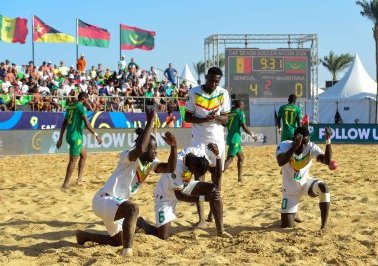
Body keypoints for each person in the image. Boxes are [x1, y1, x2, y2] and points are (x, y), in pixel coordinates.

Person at [75, 110, 177, 257]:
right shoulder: (128, 156)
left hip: (118, 206)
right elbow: (140, 148)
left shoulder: (150, 163)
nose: (156, 151)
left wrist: (173, 146)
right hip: (104, 200)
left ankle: (84, 236)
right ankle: (127, 252)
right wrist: (150, 121)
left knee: (117, 241)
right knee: (133, 208)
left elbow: (170, 168)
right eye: (153, 148)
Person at [137, 143, 231, 239]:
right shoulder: (177, 167)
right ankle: (141, 222)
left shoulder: (200, 154)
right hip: (166, 196)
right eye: (195, 173)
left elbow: (217, 175)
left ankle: (220, 231)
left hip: (185, 186)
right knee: (163, 236)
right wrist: (204, 198)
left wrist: (218, 156)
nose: (196, 176)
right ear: (192, 167)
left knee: (214, 190)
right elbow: (179, 196)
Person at [184, 66, 230, 224]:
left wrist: (216, 117)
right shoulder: (194, 92)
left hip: (217, 140)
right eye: (211, 80)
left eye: (216, 81)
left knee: (217, 178)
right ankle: (201, 219)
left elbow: (226, 119)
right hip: (198, 140)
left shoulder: (223, 93)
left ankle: (212, 212)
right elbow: (188, 118)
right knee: (199, 178)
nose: (213, 84)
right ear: (206, 77)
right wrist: (204, 120)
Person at [275, 126, 333, 229]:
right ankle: (292, 214)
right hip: (290, 191)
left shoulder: (311, 147)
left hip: (305, 184)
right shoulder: (284, 145)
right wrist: (295, 146)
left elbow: (327, 161)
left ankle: (323, 228)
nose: (303, 146)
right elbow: (281, 162)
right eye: (300, 142)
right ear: (294, 139)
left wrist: (328, 140)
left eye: (305, 142)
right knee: (286, 227)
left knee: (324, 187)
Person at [56, 92, 102, 188]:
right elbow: (87, 123)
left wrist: (60, 139)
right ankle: (65, 184)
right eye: (87, 99)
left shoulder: (71, 107)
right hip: (76, 137)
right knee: (73, 161)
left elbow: (64, 124)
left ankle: (79, 180)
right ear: (84, 99)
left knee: (84, 155)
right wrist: (96, 135)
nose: (88, 101)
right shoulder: (81, 107)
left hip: (69, 135)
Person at [223, 100, 257, 182]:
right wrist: (252, 135)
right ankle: (218, 174)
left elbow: (224, 124)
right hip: (235, 139)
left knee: (241, 157)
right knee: (230, 159)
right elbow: (244, 126)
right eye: (243, 105)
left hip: (230, 137)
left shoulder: (230, 113)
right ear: (240, 105)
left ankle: (240, 178)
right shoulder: (240, 113)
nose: (243, 107)